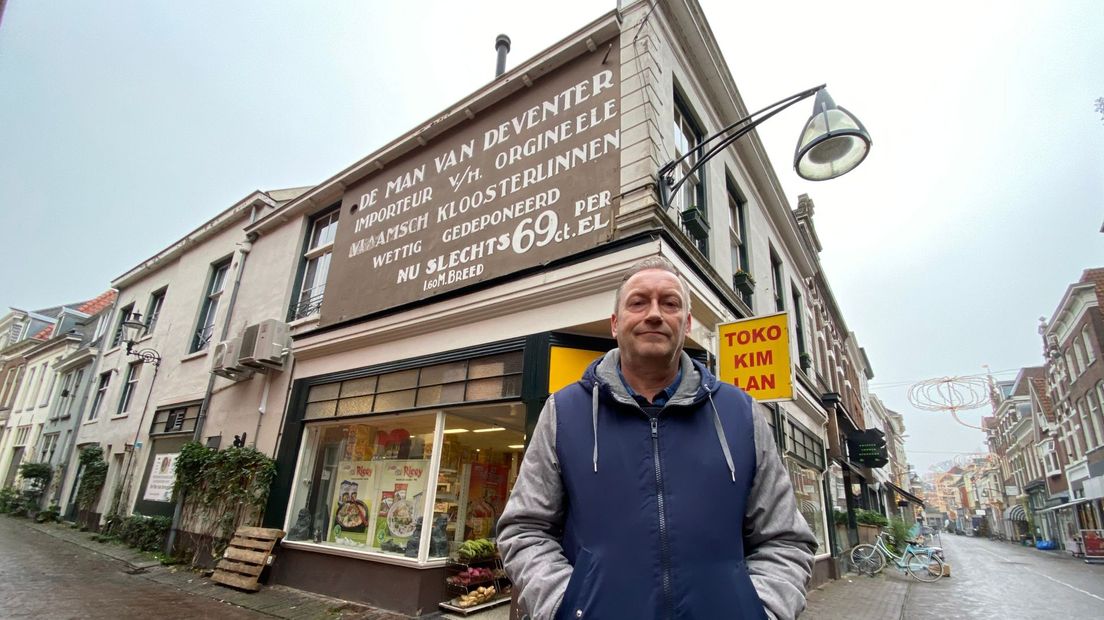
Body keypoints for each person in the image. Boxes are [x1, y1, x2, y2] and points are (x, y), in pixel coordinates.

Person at [498, 257, 818, 620]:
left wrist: (761, 611)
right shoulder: (563, 412)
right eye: (638, 302)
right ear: (615, 324)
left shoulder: (740, 413)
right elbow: (524, 528)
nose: (654, 314)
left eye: (670, 303)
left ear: (687, 323)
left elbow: (785, 538)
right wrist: (565, 607)